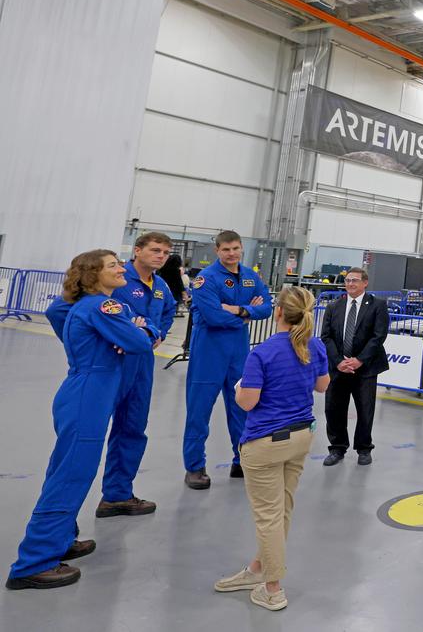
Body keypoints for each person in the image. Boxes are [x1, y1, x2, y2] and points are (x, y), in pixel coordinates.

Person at [7, 250, 157, 590]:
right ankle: (34, 562)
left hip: (86, 391)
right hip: (89, 395)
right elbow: (137, 343)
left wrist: (123, 333)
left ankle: (61, 539)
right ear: (93, 274)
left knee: (67, 470)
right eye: (113, 265)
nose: (122, 269)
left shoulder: (85, 306)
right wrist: (142, 330)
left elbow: (60, 313)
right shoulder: (103, 306)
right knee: (71, 475)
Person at [215, 286, 329, 611]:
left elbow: (247, 402)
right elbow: (322, 385)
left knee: (267, 516)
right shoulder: (314, 345)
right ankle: (258, 568)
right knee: (281, 510)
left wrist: (239, 390)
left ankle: (272, 588)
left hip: (266, 442)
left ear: (278, 312)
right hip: (301, 437)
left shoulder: (262, 353)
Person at [96, 232, 177, 518]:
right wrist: (123, 334)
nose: (161, 256)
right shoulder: (118, 280)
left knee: (132, 426)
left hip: (142, 362)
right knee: (91, 430)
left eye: (165, 252)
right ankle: (65, 512)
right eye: (155, 250)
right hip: (113, 359)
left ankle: (117, 495)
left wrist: (158, 334)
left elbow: (169, 311)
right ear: (137, 250)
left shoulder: (160, 286)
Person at [184, 230, 272, 490]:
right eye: (226, 249)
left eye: (235, 248)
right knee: (199, 411)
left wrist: (238, 309)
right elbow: (212, 317)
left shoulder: (250, 276)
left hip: (239, 353)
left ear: (242, 248)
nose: (231, 253)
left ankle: (241, 460)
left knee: (242, 408)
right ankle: (194, 467)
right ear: (217, 250)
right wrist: (246, 316)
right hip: (208, 352)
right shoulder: (206, 279)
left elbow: (266, 308)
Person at [319, 268, 389, 466]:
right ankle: (337, 447)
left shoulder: (377, 305)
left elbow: (378, 336)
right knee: (334, 409)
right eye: (348, 280)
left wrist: (359, 360)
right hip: (338, 368)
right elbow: (326, 336)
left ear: (365, 283)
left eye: (355, 280)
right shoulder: (334, 306)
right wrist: (338, 361)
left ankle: (364, 449)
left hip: (365, 369)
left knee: (365, 410)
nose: (350, 284)